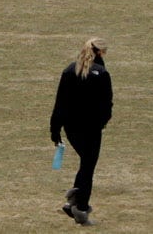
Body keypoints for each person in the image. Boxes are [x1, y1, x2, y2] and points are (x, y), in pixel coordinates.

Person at [48, 36, 112, 225]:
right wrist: (101, 123)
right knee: (88, 165)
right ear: (99, 52)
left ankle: (75, 200)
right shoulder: (101, 73)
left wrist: (55, 130)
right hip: (91, 129)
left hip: (72, 128)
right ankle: (80, 208)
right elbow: (107, 104)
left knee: (86, 163)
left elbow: (60, 103)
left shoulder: (69, 70)